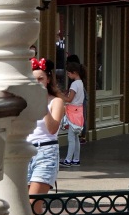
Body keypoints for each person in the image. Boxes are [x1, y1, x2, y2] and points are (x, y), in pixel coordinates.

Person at [27, 58, 66, 197]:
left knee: (34, 205)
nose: (36, 83)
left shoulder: (56, 102)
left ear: (48, 79)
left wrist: (41, 101)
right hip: (24, 152)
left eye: (40, 79)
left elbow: (52, 129)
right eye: (33, 80)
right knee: (25, 208)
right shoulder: (23, 101)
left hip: (45, 151)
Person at [61, 61, 87, 168]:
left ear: (74, 72)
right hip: (79, 112)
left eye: (69, 73)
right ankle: (76, 159)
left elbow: (69, 99)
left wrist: (60, 96)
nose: (68, 75)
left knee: (71, 138)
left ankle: (68, 159)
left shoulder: (74, 84)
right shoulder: (80, 83)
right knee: (76, 137)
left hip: (72, 112)